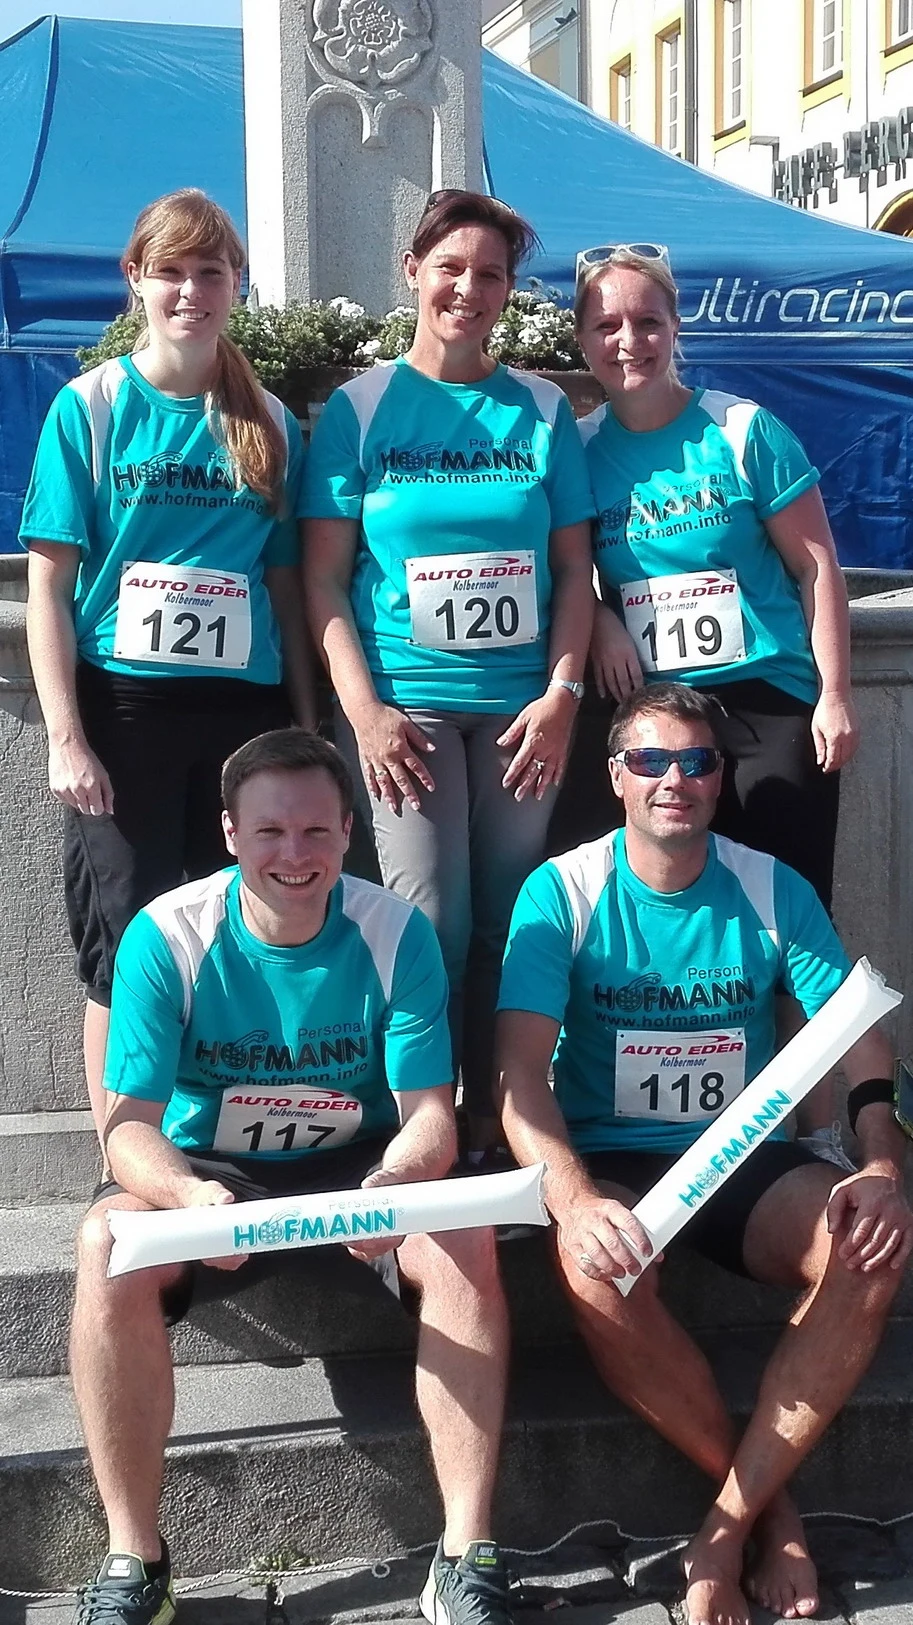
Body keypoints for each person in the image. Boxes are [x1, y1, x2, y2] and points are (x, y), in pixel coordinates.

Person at [70, 729, 512, 1625]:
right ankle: (134, 1559)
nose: (295, 854)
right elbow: (127, 1130)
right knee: (103, 1243)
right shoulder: (167, 933)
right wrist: (189, 1198)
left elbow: (431, 1112)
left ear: (349, 830)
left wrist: (393, 1179)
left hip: (360, 1163)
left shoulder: (396, 931)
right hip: (212, 1169)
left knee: (465, 1237)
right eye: (270, 831)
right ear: (231, 832)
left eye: (315, 830)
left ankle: (465, 1556)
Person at [496, 683, 911, 1625]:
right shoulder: (561, 890)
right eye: (650, 760)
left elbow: (861, 1041)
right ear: (615, 775)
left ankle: (723, 1526)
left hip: (739, 1157)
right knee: (593, 1271)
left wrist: (881, 1164)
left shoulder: (771, 886)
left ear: (720, 778)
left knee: (867, 1247)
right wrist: (573, 1200)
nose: (673, 778)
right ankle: (771, 1507)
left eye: (695, 761)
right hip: (613, 1158)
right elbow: (517, 1074)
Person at [303, 189, 595, 1159]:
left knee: (509, 925)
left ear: (508, 291)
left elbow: (573, 573)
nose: (469, 289)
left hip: (521, 718)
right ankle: (421, 1119)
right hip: (405, 710)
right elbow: (322, 579)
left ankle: (496, 1119)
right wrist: (364, 713)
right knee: (429, 917)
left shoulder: (542, 409)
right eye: (451, 268)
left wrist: (561, 698)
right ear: (413, 272)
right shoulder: (360, 408)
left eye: (490, 275)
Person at [20, 189, 315, 1145]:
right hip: (125, 711)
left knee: (236, 927)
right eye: (172, 272)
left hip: (243, 711)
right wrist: (66, 736)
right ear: (137, 280)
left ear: (236, 285)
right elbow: (49, 587)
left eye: (210, 272)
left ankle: (218, 1141)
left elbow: (285, 590)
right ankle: (122, 1160)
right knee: (127, 937)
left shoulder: (271, 421)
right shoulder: (91, 407)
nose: (192, 291)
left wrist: (306, 727)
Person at [571, 245, 860, 1155]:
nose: (628, 341)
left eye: (646, 321)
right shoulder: (577, 447)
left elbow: (816, 567)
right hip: (655, 719)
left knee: (786, 920)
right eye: (607, 325)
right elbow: (561, 567)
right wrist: (600, 617)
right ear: (580, 339)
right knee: (666, 913)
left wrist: (835, 694)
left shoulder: (740, 429)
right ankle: (669, 1119)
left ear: (674, 328)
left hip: (767, 701)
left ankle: (813, 1127)